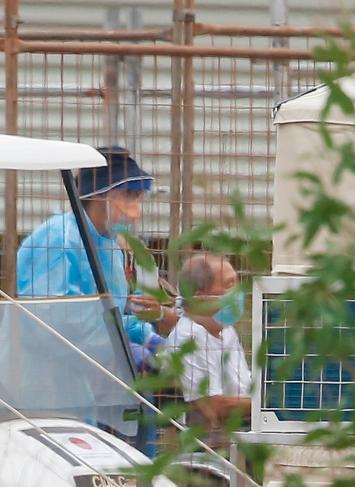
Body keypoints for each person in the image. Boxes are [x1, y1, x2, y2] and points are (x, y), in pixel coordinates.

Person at [16, 146, 171, 364]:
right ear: (99, 194)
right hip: (45, 371)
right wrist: (125, 342)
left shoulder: (108, 244)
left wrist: (146, 335)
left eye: (138, 197)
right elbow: (58, 322)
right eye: (128, 195)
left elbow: (110, 313)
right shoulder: (59, 238)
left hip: (91, 371)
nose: (136, 208)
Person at [167, 253, 251, 445]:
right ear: (201, 296)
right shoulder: (188, 337)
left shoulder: (226, 331)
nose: (238, 293)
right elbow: (212, 407)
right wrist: (265, 406)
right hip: (206, 445)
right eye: (229, 285)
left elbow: (243, 389)